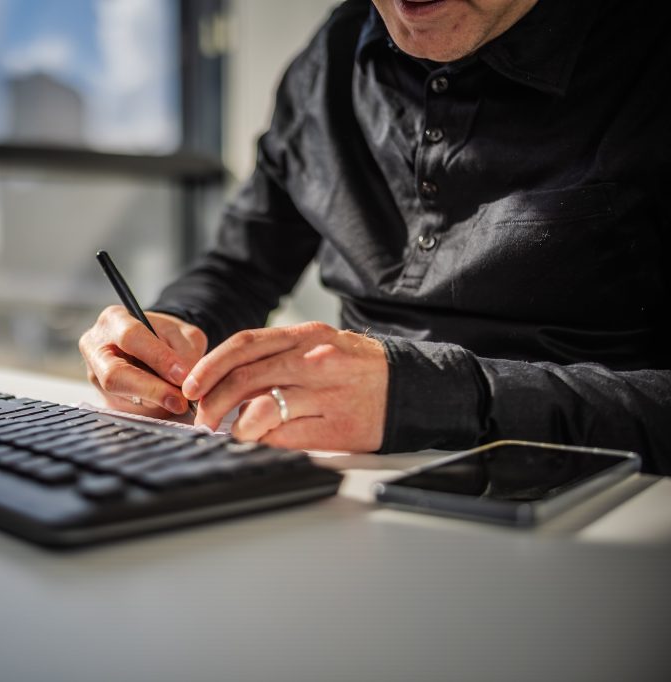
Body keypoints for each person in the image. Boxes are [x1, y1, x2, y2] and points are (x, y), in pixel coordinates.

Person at [79, 0, 671, 474]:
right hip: (341, 475)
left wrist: (432, 395)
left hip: (599, 500)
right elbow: (241, 266)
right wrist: (172, 327)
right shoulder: (334, 53)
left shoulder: (648, 61)